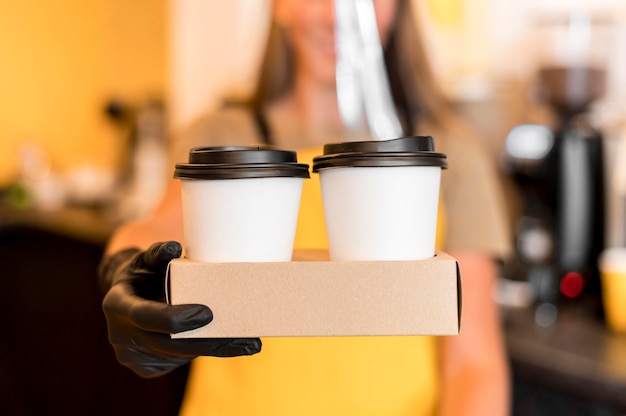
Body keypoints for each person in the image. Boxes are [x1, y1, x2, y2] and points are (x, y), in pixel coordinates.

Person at [99, 0, 512, 414]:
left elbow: (473, 366)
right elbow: (160, 227)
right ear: (277, 6)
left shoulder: (453, 154)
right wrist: (125, 265)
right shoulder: (221, 134)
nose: (338, 15)